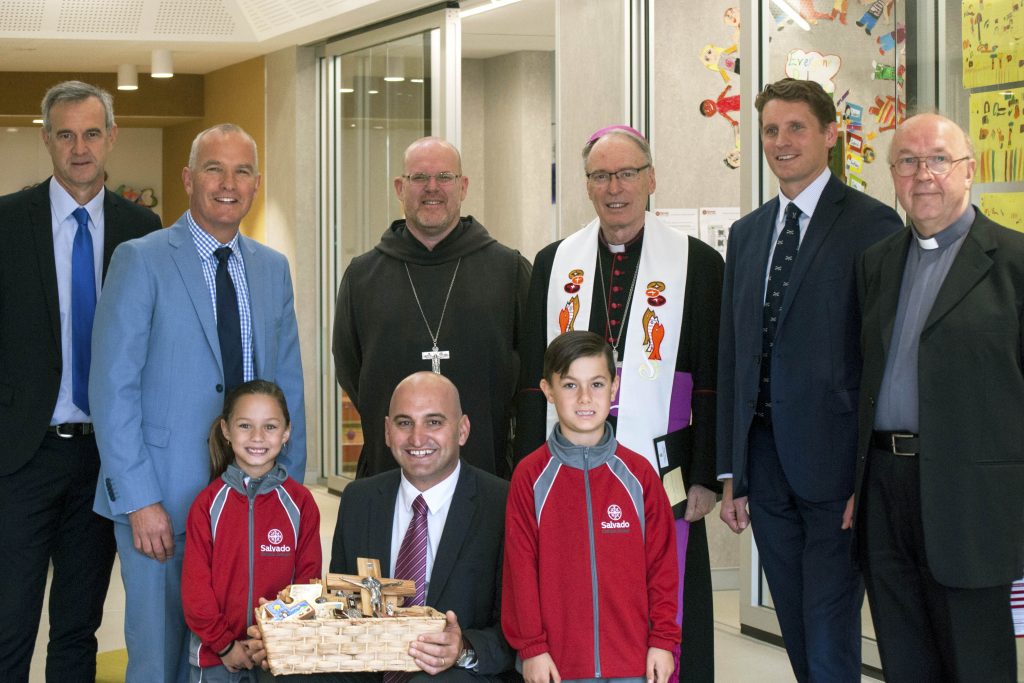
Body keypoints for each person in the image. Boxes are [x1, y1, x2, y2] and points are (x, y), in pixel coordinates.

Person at [90, 123, 307, 683]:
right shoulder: (141, 260)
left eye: (241, 171)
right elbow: (113, 389)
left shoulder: (271, 267)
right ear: (189, 178)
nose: (227, 183)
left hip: (253, 499)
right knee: (161, 659)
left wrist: (291, 487)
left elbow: (289, 386)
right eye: (214, 168)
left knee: (249, 651)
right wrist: (137, 499)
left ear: (256, 184)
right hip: (163, 499)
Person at [515, 124, 723, 683]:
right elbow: (531, 374)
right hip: (567, 465)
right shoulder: (554, 262)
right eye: (601, 175)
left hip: (666, 465)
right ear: (586, 186)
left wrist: (704, 474)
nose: (615, 187)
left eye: (627, 173)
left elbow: (710, 380)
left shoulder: (697, 264)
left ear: (651, 179)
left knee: (665, 588)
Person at [715, 78, 902, 683]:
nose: (781, 141)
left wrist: (863, 474)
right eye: (771, 130)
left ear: (829, 135)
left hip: (834, 466)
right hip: (765, 463)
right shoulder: (747, 235)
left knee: (828, 619)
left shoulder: (873, 227)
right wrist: (731, 472)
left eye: (796, 127)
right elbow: (733, 356)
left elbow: (883, 357)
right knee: (795, 618)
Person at [853, 112, 1024, 681]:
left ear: (968, 171)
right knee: (904, 660)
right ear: (893, 176)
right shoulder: (877, 264)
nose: (922, 174)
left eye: (938, 159)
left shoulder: (1015, 263)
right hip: (884, 488)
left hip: (971, 499)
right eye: (907, 161)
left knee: (976, 664)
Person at [0, 80, 161, 682]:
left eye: (92, 133)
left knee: (77, 626)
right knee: (9, 621)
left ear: (111, 136)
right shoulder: (7, 223)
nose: (79, 147)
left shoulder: (144, 230)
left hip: (107, 459)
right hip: (22, 457)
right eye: (65, 134)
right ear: (46, 140)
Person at [250, 371, 515, 682]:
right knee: (280, 673)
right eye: (404, 423)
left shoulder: (503, 503)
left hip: (454, 673)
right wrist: (288, 629)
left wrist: (464, 648)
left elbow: (518, 631)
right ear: (388, 432)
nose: (417, 438)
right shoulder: (359, 499)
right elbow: (341, 606)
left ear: (462, 430)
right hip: (367, 664)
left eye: (434, 422)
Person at [333, 136, 531, 479]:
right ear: (400, 187)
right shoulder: (363, 276)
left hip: (485, 464)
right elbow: (352, 370)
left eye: (445, 177)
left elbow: (530, 368)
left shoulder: (508, 270)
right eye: (419, 178)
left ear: (463, 185)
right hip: (391, 469)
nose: (432, 188)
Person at [503, 331, 677, 683]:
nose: (585, 398)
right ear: (548, 391)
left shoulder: (640, 474)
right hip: (559, 666)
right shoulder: (530, 476)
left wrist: (662, 641)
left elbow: (662, 567)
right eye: (569, 385)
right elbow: (519, 571)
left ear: (614, 389)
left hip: (633, 662)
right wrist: (533, 649)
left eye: (597, 384)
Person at [183, 380, 321, 682]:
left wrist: (269, 639)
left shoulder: (301, 504)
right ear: (226, 430)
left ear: (286, 432)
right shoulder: (206, 505)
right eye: (245, 425)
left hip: (278, 654)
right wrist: (225, 644)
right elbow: (196, 591)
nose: (257, 437)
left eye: (270, 427)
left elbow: (307, 584)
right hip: (216, 658)